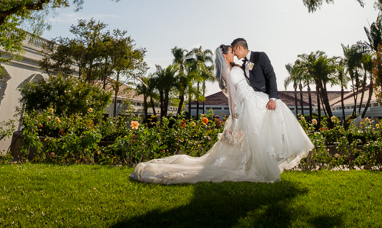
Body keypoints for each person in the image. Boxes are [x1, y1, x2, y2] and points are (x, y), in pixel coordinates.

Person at [130, 43, 314, 184]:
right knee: (269, 119)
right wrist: (235, 114)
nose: (234, 53)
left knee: (273, 115)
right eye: (231, 51)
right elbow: (232, 96)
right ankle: (262, 164)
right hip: (248, 103)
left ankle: (270, 157)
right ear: (225, 55)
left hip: (252, 98)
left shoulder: (235, 67)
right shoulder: (229, 71)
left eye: (235, 50)